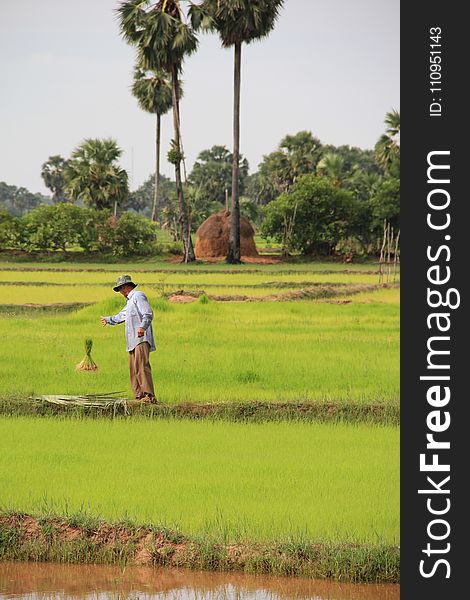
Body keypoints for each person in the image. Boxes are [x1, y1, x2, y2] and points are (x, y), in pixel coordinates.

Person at [101, 274, 156, 403]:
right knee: (133, 368)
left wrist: (142, 327)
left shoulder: (138, 296)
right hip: (132, 342)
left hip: (141, 339)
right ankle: (139, 396)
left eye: (120, 289)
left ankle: (149, 396)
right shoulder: (130, 301)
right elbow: (121, 316)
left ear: (125, 287)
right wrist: (108, 320)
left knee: (142, 366)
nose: (120, 292)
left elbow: (148, 313)